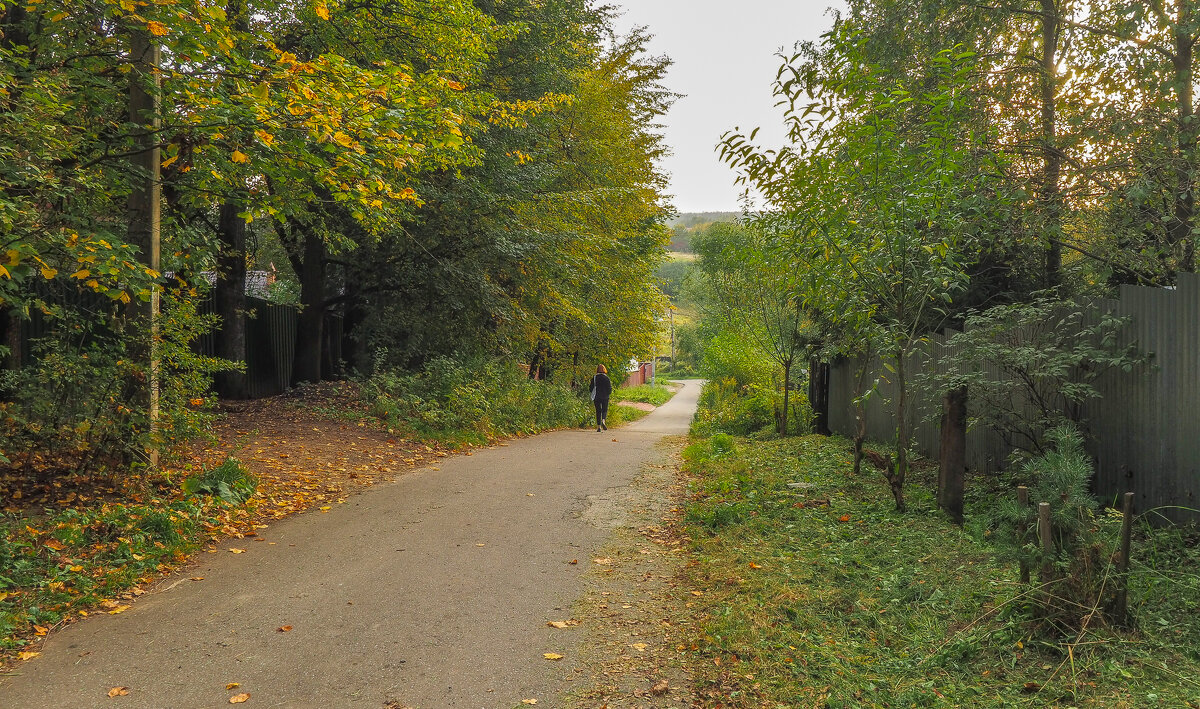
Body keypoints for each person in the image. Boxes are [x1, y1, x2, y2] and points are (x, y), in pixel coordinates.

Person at [588, 365, 612, 432]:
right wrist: (608, 393)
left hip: (597, 396)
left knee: (598, 411)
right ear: (604, 370)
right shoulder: (606, 378)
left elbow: (591, 387)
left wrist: (592, 392)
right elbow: (609, 388)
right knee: (604, 410)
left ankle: (598, 427)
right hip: (605, 396)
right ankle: (603, 421)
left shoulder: (595, 377)